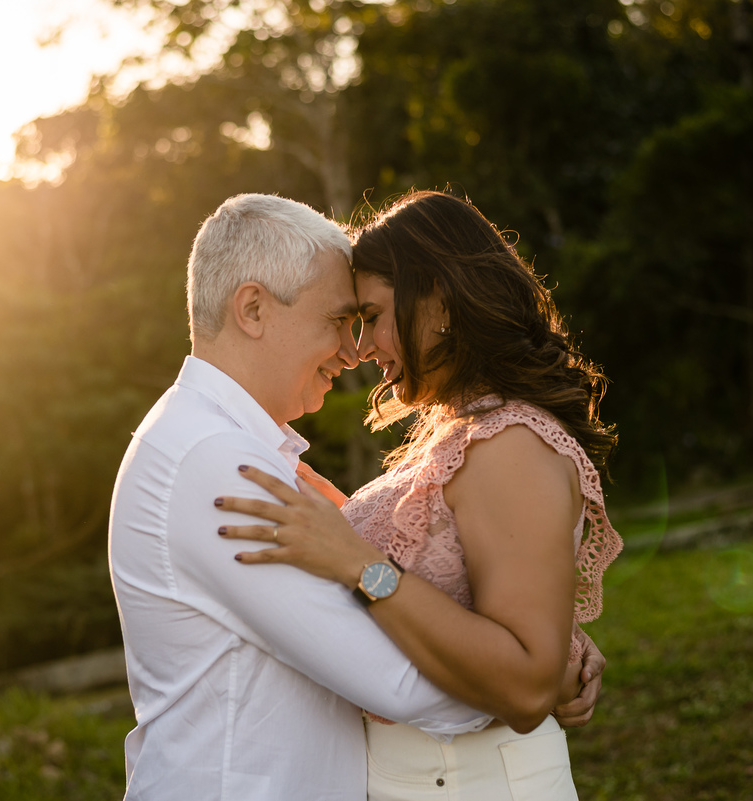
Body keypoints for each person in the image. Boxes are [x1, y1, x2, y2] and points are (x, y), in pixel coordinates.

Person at [108, 193, 605, 801]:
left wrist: (535, 651)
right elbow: (391, 678)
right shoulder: (217, 461)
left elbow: (418, 591)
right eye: (340, 320)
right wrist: (537, 673)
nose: (354, 351)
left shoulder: (225, 447)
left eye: (366, 319)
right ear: (254, 308)